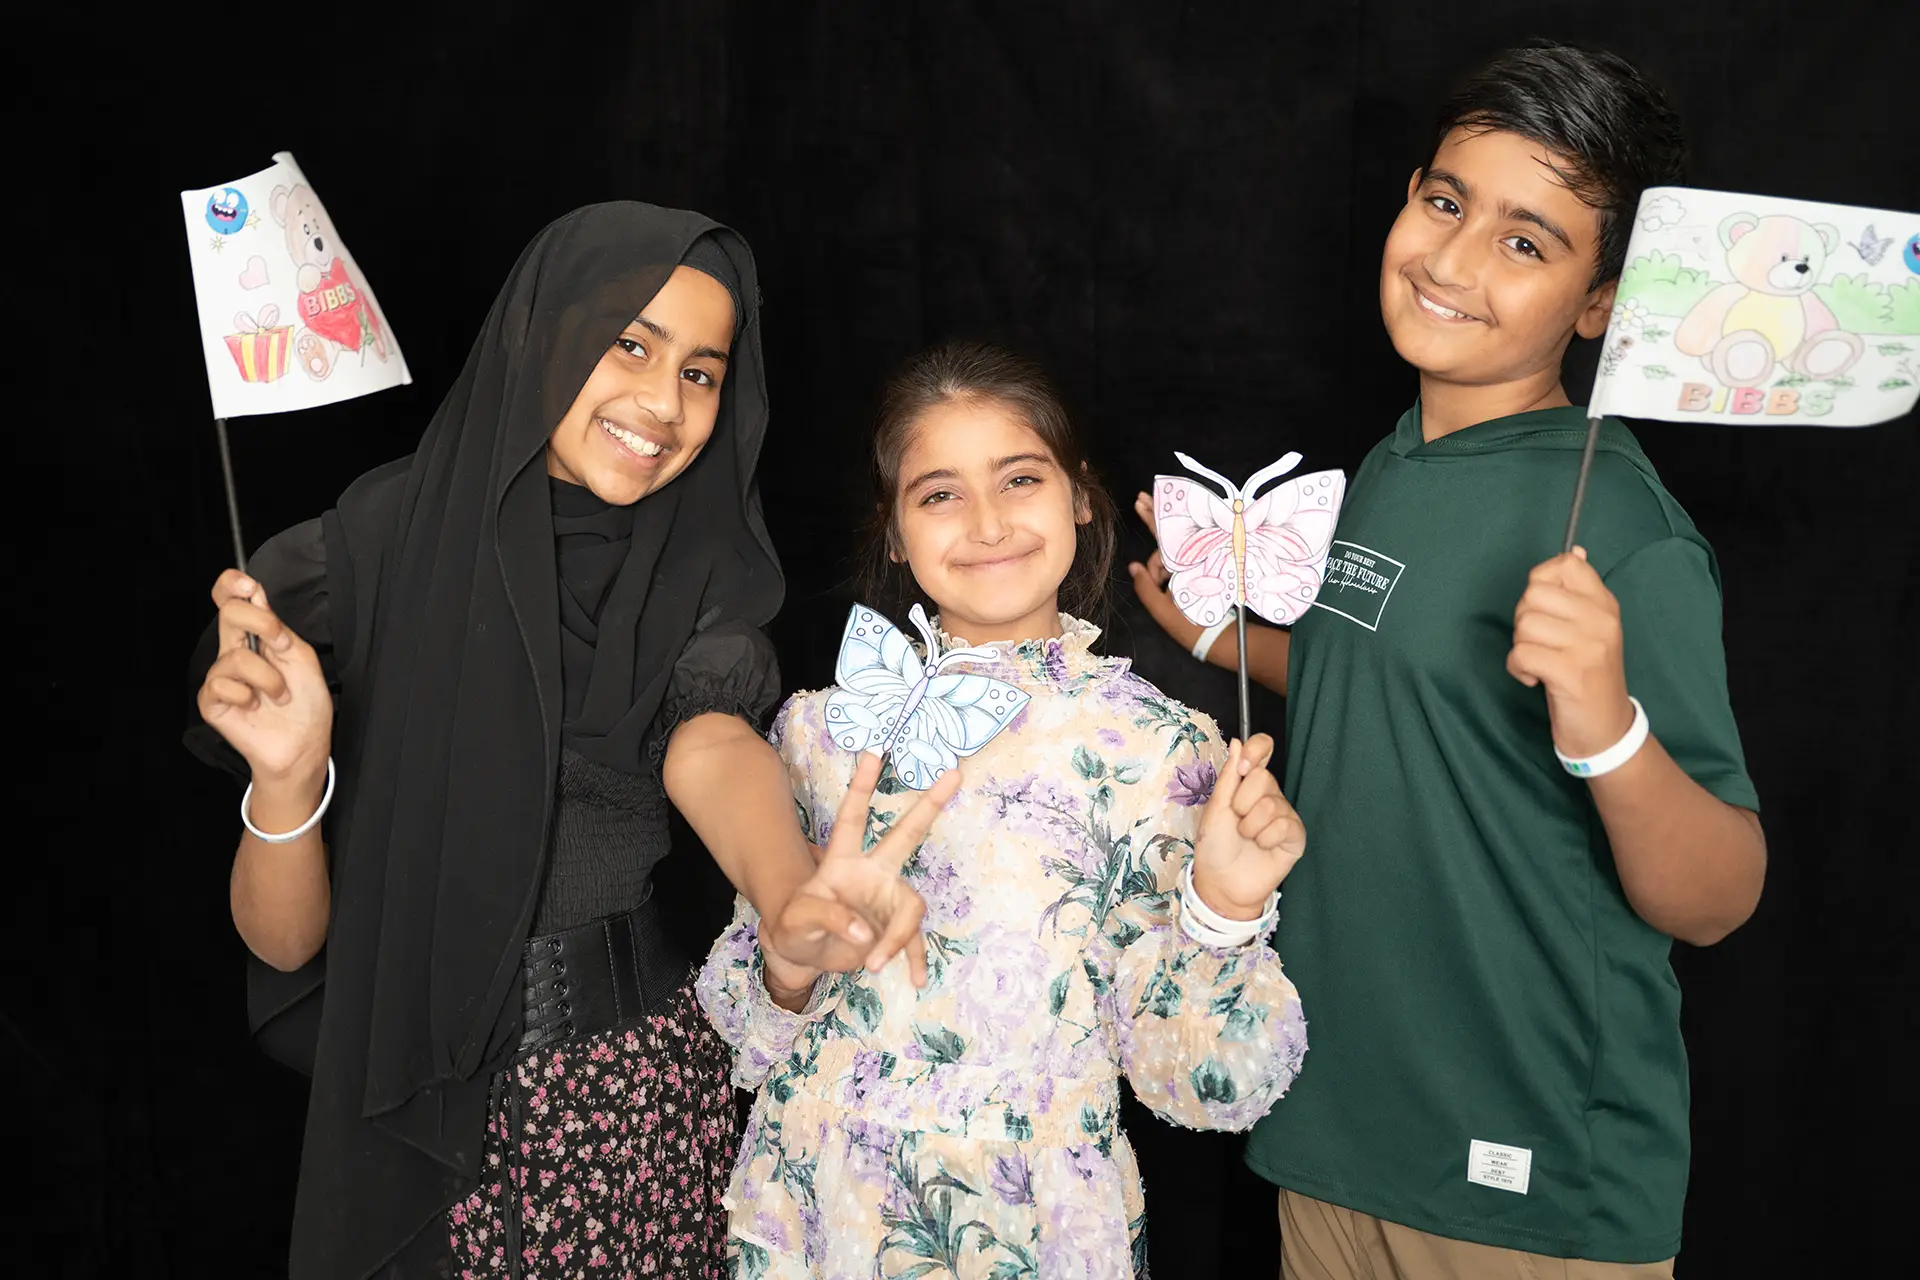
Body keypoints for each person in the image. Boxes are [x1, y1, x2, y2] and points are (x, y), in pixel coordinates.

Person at [187, 203, 944, 1280]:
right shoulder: (372, 550)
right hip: (410, 1110)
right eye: (628, 342)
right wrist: (290, 774)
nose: (663, 400)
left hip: (630, 1097)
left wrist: (788, 891)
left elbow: (712, 741)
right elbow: (284, 946)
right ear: (539, 332)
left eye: (701, 370)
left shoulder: (701, 564)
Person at [1128, 42, 1764, 1279]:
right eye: (1445, 202)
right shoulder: (1393, 461)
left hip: (1519, 1183)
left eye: (1527, 242)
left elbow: (1719, 892)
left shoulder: (1625, 535)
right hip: (1338, 1132)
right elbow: (1396, 690)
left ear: (1600, 303)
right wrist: (1219, 636)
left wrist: (1609, 721)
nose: (1456, 261)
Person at [696, 341, 1310, 1279]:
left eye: (1019, 479)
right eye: (939, 493)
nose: (986, 523)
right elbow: (752, 1024)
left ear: (1078, 496)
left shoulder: (1163, 748)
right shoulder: (824, 735)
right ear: (895, 532)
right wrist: (786, 957)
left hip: (1038, 1226)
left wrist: (1223, 905)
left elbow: (1199, 1079)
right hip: (820, 1208)